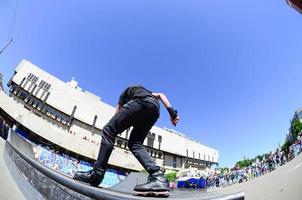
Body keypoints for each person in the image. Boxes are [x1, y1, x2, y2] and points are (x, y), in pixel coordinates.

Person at [73, 85, 180, 196]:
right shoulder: (148, 93)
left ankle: (97, 173)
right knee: (135, 143)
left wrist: (114, 126)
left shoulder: (125, 93)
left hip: (140, 103)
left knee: (109, 130)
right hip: (154, 110)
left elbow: (117, 114)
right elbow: (161, 95)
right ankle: (158, 177)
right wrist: (172, 114)